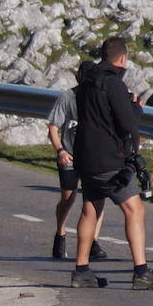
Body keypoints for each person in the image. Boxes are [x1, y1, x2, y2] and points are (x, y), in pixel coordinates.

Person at [72, 37, 153, 290]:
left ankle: (81, 271)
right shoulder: (113, 83)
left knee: (90, 209)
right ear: (123, 58)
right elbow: (127, 122)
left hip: (85, 157)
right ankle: (141, 272)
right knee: (135, 210)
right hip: (109, 160)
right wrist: (136, 109)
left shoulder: (86, 81)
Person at [47, 61, 107, 260]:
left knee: (97, 198)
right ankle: (60, 232)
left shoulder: (100, 98)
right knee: (68, 197)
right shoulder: (68, 97)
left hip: (93, 157)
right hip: (70, 155)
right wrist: (60, 150)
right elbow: (53, 127)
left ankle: (94, 241)